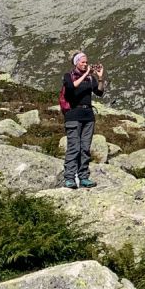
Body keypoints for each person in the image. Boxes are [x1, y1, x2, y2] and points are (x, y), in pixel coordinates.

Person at [60, 51, 103, 189]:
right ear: (76, 63)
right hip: (73, 115)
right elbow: (71, 87)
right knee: (74, 147)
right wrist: (86, 74)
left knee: (85, 148)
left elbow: (100, 92)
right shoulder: (68, 76)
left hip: (88, 115)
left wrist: (100, 78)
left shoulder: (90, 79)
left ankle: (83, 177)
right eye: (83, 62)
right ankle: (69, 178)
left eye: (86, 62)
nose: (85, 64)